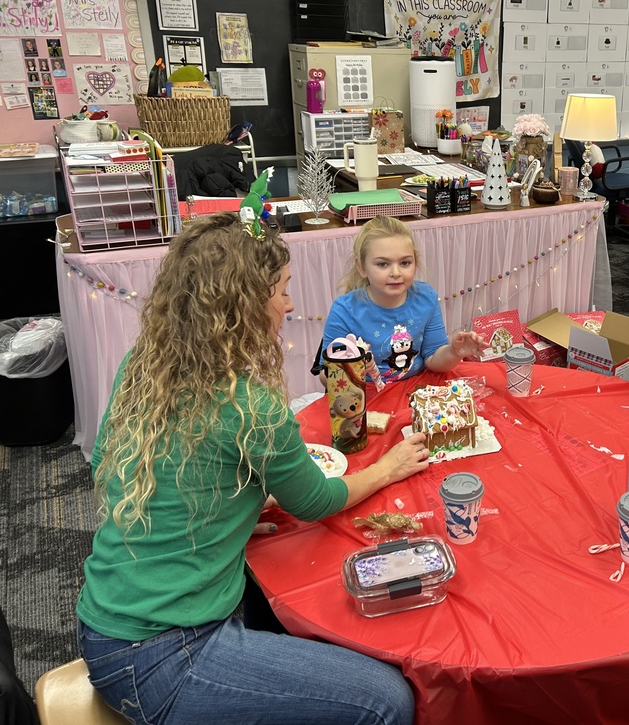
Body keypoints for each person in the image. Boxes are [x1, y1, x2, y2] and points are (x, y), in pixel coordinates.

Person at [76, 212, 428, 725]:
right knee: (386, 700)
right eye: (281, 291)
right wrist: (387, 468)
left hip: (104, 619)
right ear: (240, 304)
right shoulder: (250, 407)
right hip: (160, 655)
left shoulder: (143, 363)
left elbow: (116, 466)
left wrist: (227, 505)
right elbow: (313, 501)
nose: (289, 304)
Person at [316, 215, 487, 382]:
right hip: (364, 395)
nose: (396, 273)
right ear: (361, 267)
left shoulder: (426, 298)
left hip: (416, 390)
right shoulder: (344, 310)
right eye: (382, 264)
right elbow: (325, 375)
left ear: (415, 262)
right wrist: (350, 368)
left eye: (405, 263)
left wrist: (454, 352)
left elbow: (434, 359)